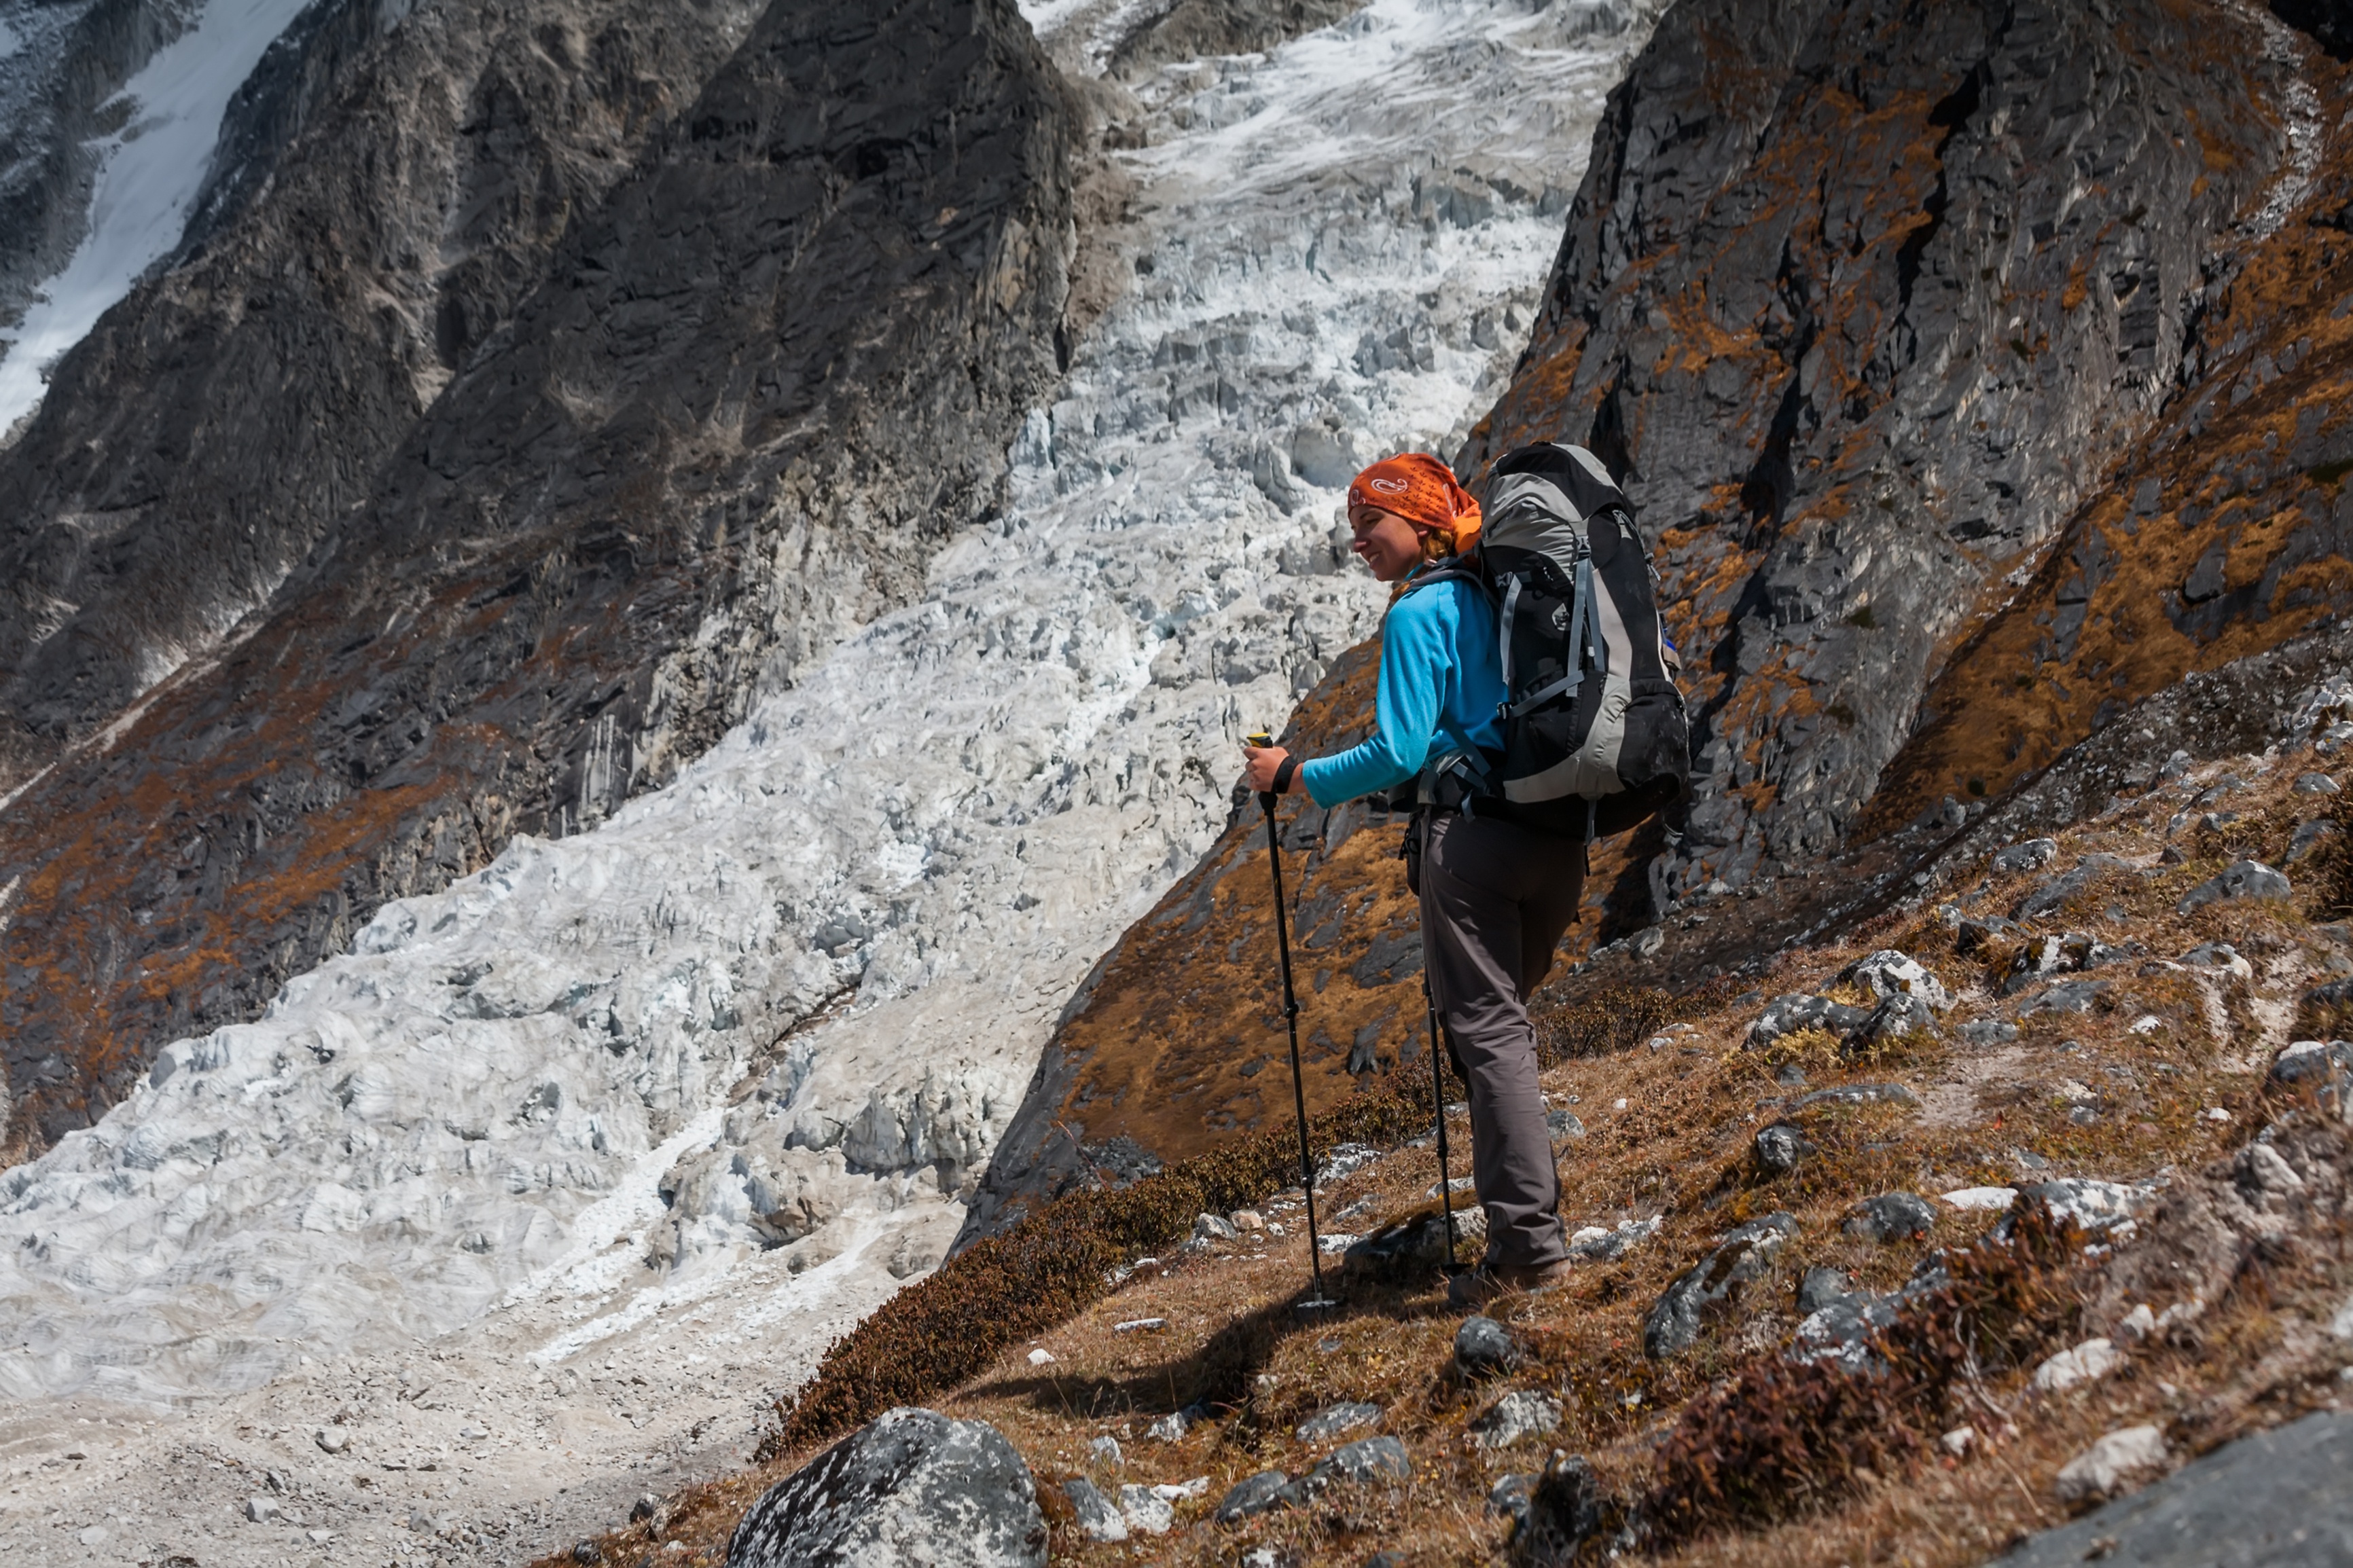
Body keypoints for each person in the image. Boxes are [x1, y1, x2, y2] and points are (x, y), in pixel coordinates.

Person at [1243, 452, 1582, 1308]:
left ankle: (1529, 1256)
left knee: (1489, 1036)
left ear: (1424, 523)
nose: (1357, 539)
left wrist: (1293, 775)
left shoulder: (1418, 612)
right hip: (1554, 834)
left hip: (1472, 846)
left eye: (1373, 522)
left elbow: (1396, 749)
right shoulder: (1495, 596)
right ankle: (1527, 1219)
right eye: (1353, 524)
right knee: (1502, 1032)